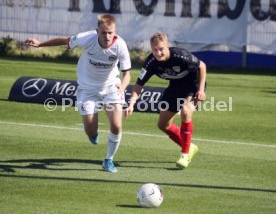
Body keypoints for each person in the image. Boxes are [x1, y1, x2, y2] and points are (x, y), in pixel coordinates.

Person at [25, 14, 131, 173]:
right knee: (90, 129)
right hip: (87, 89)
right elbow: (64, 40)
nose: (107, 36)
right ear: (97, 31)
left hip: (111, 87)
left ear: (115, 31)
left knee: (116, 125)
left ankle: (108, 160)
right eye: (104, 33)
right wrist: (40, 44)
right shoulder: (87, 38)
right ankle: (92, 133)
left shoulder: (121, 45)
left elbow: (127, 74)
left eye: (110, 33)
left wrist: (122, 88)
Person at [125, 32, 206, 169]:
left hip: (193, 85)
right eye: (155, 50)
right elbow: (139, 85)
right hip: (175, 86)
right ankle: (189, 146)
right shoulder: (151, 63)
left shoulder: (180, 55)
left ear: (167, 46)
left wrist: (201, 90)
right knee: (163, 124)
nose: (158, 53)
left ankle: (184, 155)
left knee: (186, 111)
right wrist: (131, 103)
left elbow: (202, 66)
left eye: (161, 49)